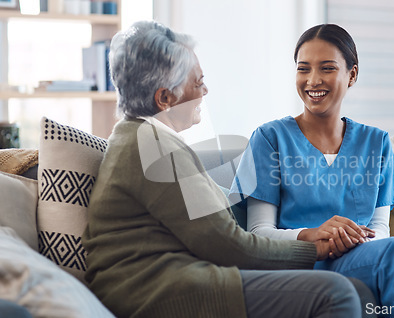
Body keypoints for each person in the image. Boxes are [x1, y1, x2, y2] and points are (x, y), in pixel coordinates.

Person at [82, 20, 363, 318]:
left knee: (356, 290)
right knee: (336, 293)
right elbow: (230, 246)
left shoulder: (142, 139)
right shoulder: (151, 148)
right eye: (197, 82)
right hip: (159, 289)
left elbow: (219, 223)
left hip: (170, 279)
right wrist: (315, 249)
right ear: (165, 98)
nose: (206, 89)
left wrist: (305, 227)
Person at [230, 24, 394, 318]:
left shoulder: (377, 142)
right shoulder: (270, 138)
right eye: (303, 69)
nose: (313, 80)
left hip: (365, 255)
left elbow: (380, 229)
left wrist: (353, 238)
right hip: (307, 261)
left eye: (327, 68)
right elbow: (259, 234)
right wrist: (313, 235)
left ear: (351, 75)